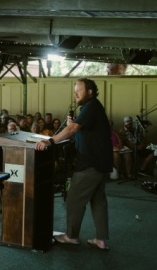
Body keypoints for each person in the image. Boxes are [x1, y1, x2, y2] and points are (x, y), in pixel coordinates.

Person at [35, 78, 112, 250]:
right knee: (98, 200)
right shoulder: (91, 107)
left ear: (90, 92)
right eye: (74, 90)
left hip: (91, 164)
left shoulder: (91, 107)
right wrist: (72, 128)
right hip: (101, 163)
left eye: (79, 90)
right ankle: (101, 240)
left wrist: (50, 141)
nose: (75, 93)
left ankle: (71, 236)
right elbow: (80, 134)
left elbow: (72, 130)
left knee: (73, 200)